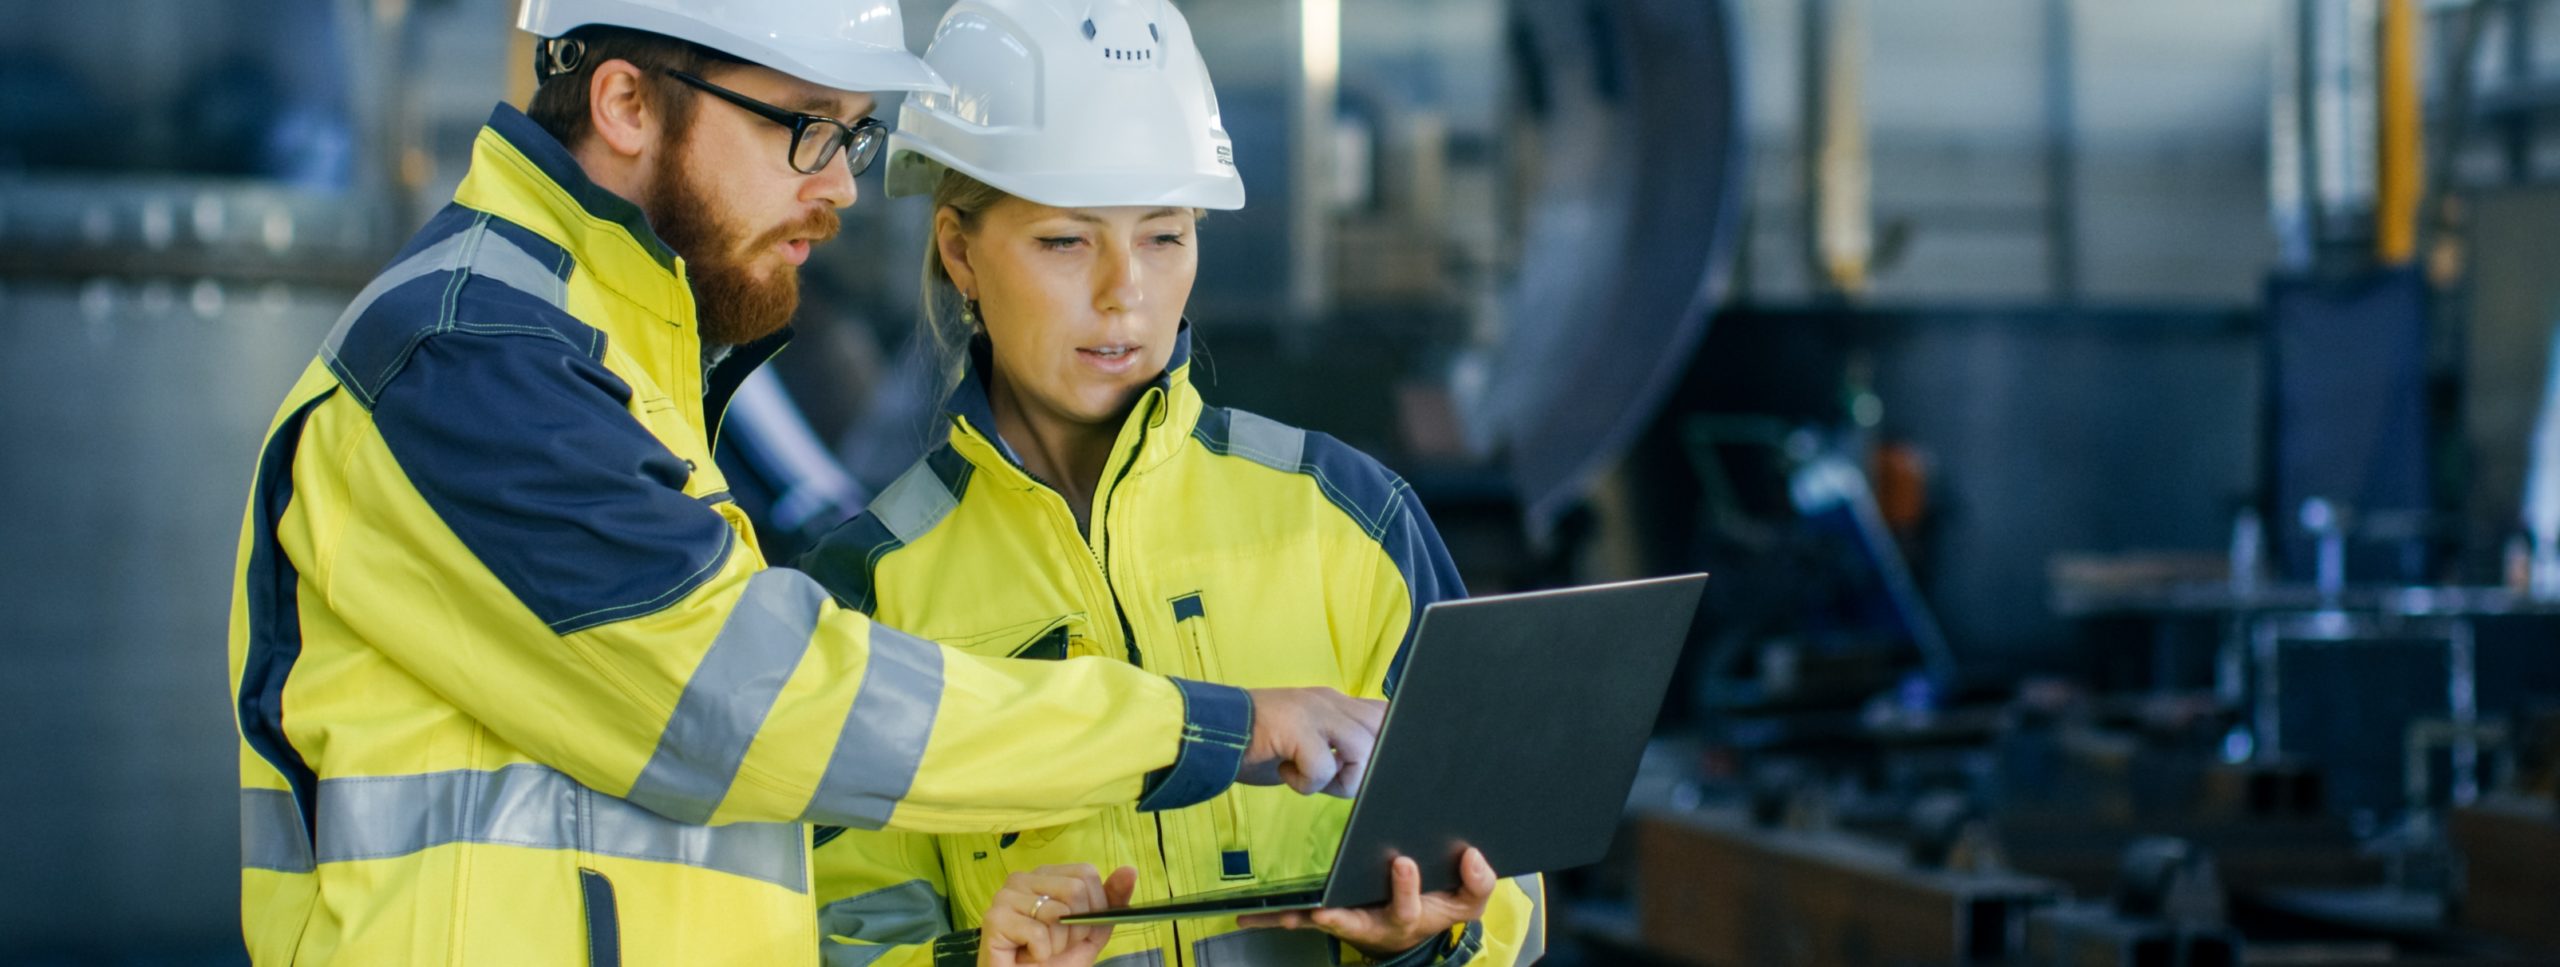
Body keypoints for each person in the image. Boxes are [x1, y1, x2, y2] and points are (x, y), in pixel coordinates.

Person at [224, 1, 1389, 963]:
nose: (836, 188)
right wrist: (1203, 727)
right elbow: (754, 707)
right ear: (626, 102)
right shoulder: (471, 361)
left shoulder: (616, 356)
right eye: (804, 127)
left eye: (851, 136)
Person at [794, 2, 1545, 964]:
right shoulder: (872, 590)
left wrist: (1420, 941)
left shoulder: (1348, 516)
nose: (1125, 293)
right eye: (1066, 241)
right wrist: (973, 956)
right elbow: (828, 932)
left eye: (1163, 236)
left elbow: (1511, 893)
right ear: (959, 250)